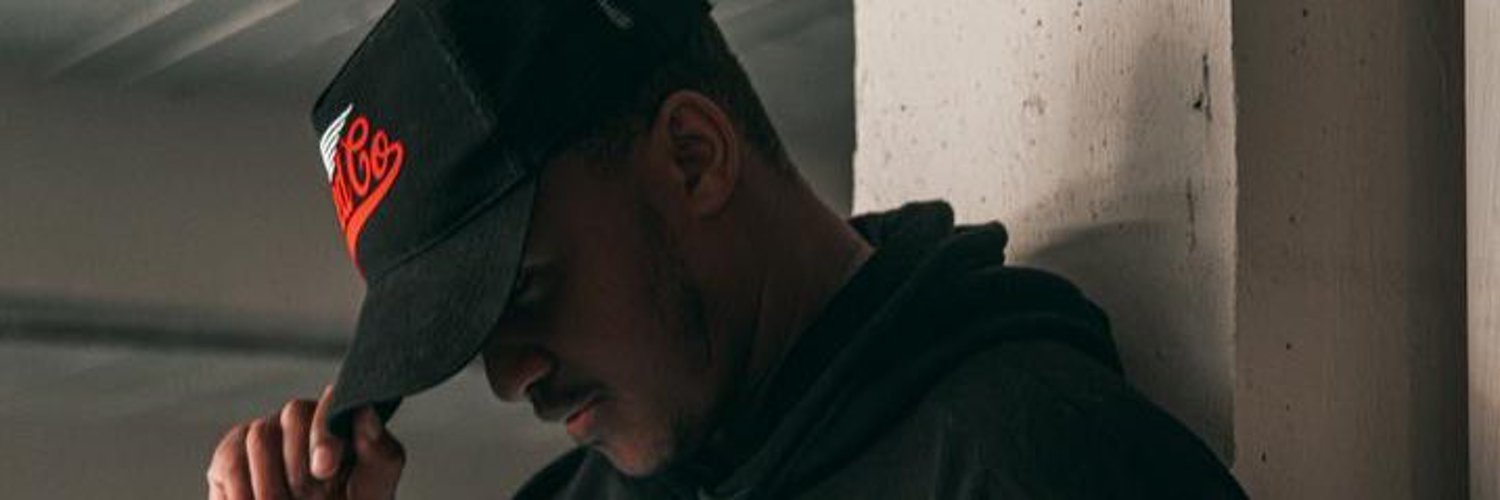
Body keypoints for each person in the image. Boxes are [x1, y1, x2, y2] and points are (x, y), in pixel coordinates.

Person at [206, 0, 1248, 498]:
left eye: (525, 289)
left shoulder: (1037, 469)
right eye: (473, 336)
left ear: (695, 155)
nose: (510, 375)